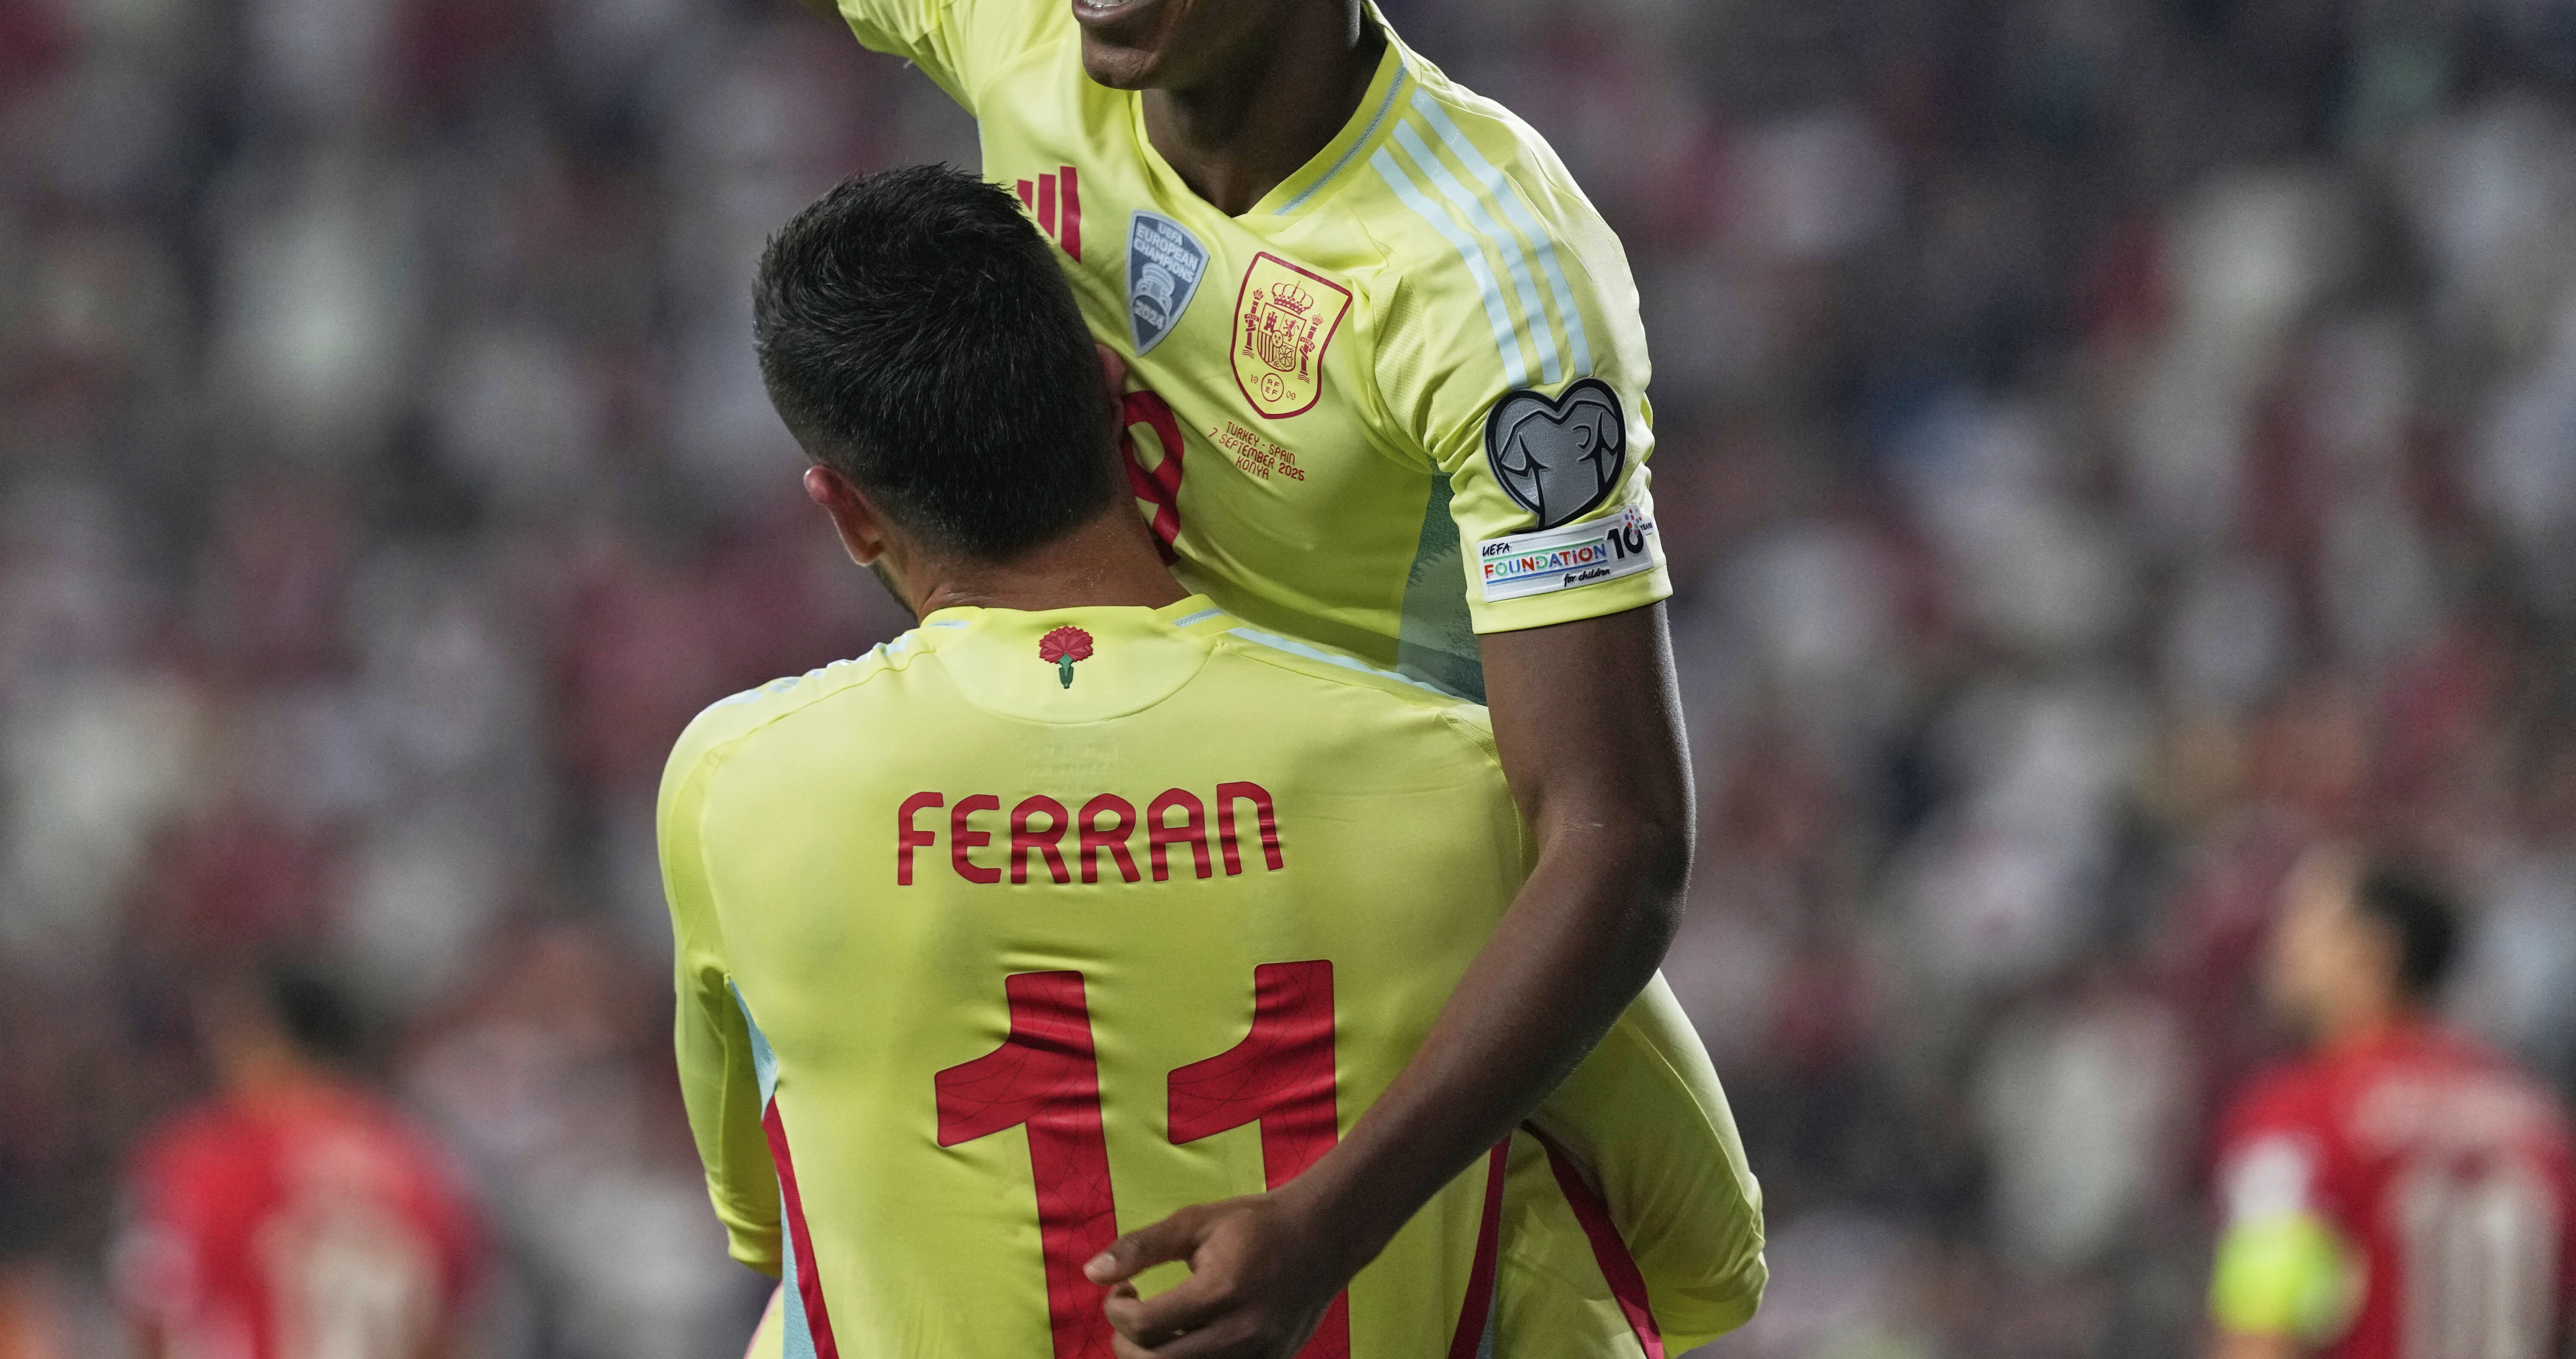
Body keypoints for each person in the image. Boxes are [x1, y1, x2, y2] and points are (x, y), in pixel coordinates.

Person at [420, 0, 1722, 1356]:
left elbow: (1619, 839)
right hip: (1074, 790)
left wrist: (1329, 1223)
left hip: (1341, 905)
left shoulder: (1494, 282)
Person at [662, 166, 1761, 1359]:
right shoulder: (1459, 784)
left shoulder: (739, 785)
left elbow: (770, 1216)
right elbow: (1711, 1255)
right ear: (1117, 397)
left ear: (848, 512)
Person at [2208, 849, 2576, 1359]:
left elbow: (2261, 1328)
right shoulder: (2542, 1122)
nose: (2281, 948)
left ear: (2372, 953)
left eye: (2306, 923)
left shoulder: (2305, 1112)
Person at [112, 963, 493, 1359]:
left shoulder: (207, 1160)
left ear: (261, 1038)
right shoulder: (425, 1165)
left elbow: (155, 1318)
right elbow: (451, 1332)